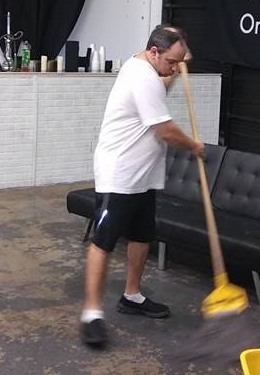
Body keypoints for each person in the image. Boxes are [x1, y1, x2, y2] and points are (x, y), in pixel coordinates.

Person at [80, 24, 205, 348]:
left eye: (179, 62)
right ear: (153, 52)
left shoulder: (149, 69)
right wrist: (194, 146)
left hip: (144, 176)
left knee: (141, 236)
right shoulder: (141, 77)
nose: (174, 68)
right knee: (103, 241)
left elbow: (163, 83)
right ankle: (92, 313)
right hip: (119, 175)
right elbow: (165, 131)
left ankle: (131, 296)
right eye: (171, 61)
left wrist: (175, 67)